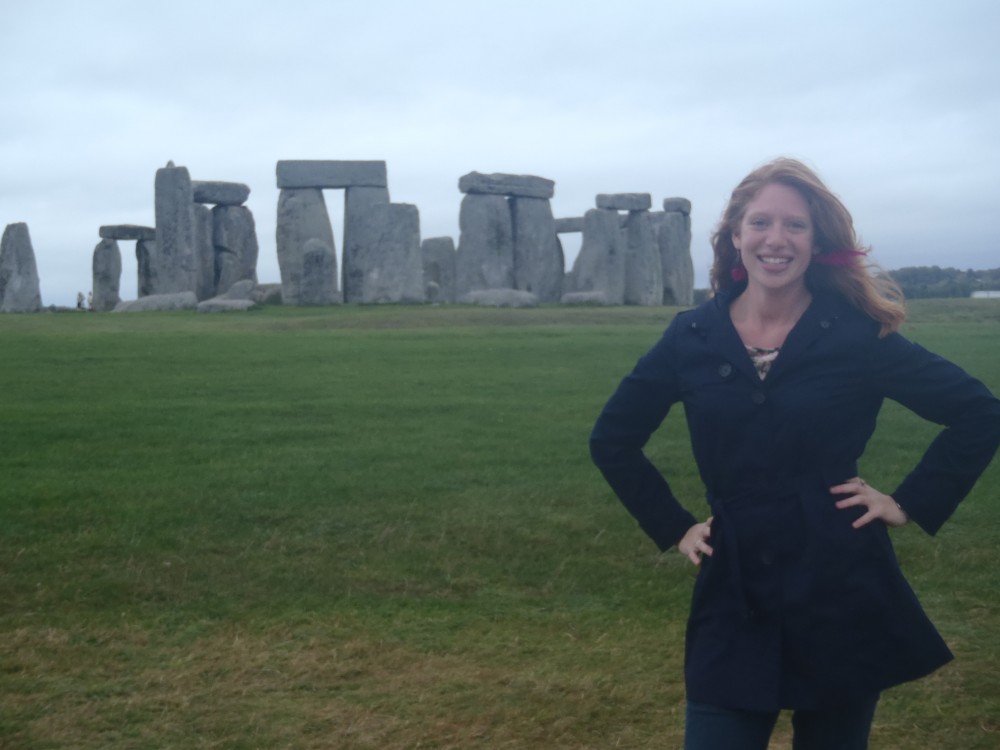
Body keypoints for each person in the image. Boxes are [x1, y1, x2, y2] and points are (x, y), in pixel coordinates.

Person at [589, 157, 1000, 749]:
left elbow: (978, 411)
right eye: (760, 223)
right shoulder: (693, 336)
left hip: (839, 582)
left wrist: (907, 501)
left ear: (816, 242)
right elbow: (613, 438)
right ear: (735, 236)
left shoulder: (856, 334)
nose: (775, 239)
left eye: (795, 226)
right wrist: (675, 526)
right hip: (733, 586)